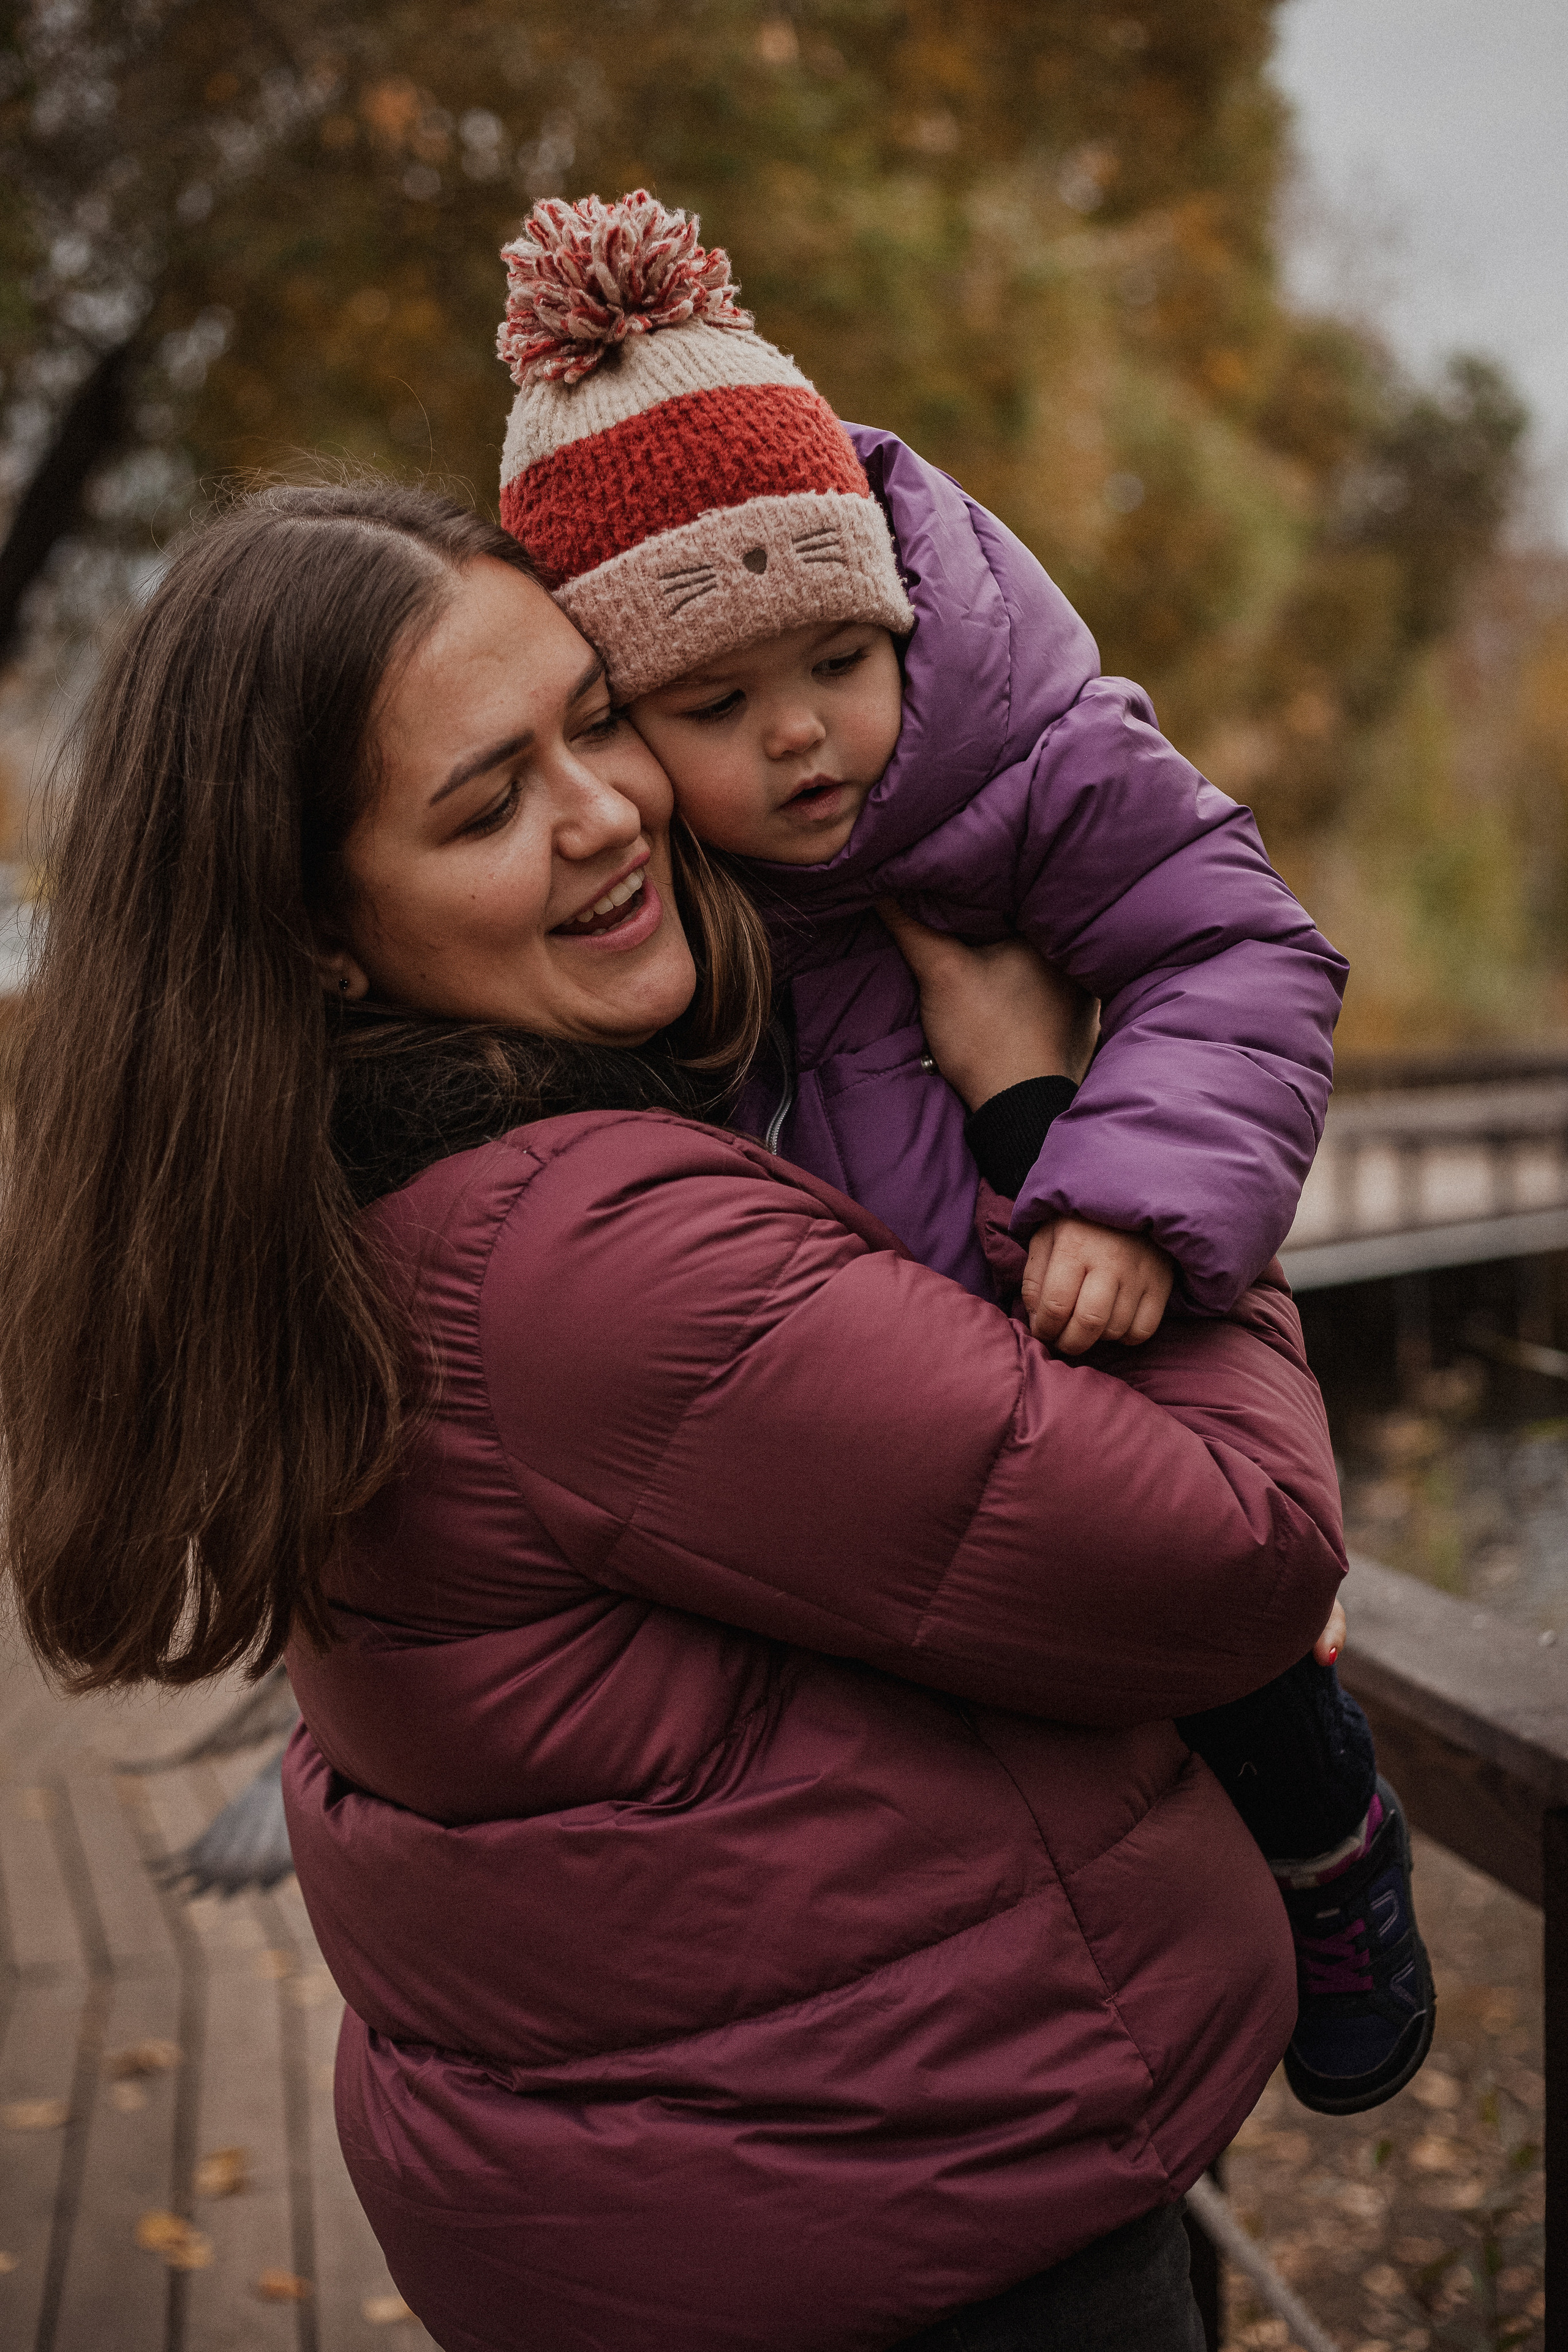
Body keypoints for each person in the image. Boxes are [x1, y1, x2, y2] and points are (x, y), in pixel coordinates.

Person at [1, 480, 1349, 2351]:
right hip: (908, 2231)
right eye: (485, 803)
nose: (609, 808)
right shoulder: (591, 1259)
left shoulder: (339, 1195)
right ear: (314, 933)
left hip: (692, 2198)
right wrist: (1068, 1133)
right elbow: (1238, 1553)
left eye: (598, 714)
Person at [494, 190, 1434, 2117]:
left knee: (1253, 1681)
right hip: (896, 1404)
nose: (805, 740)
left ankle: (1340, 1865)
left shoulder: (1041, 763)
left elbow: (1238, 945)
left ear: (899, 607)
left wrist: (1119, 1185)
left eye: (838, 661)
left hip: (1087, 1302)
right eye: (717, 708)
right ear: (633, 725)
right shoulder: (675, 896)